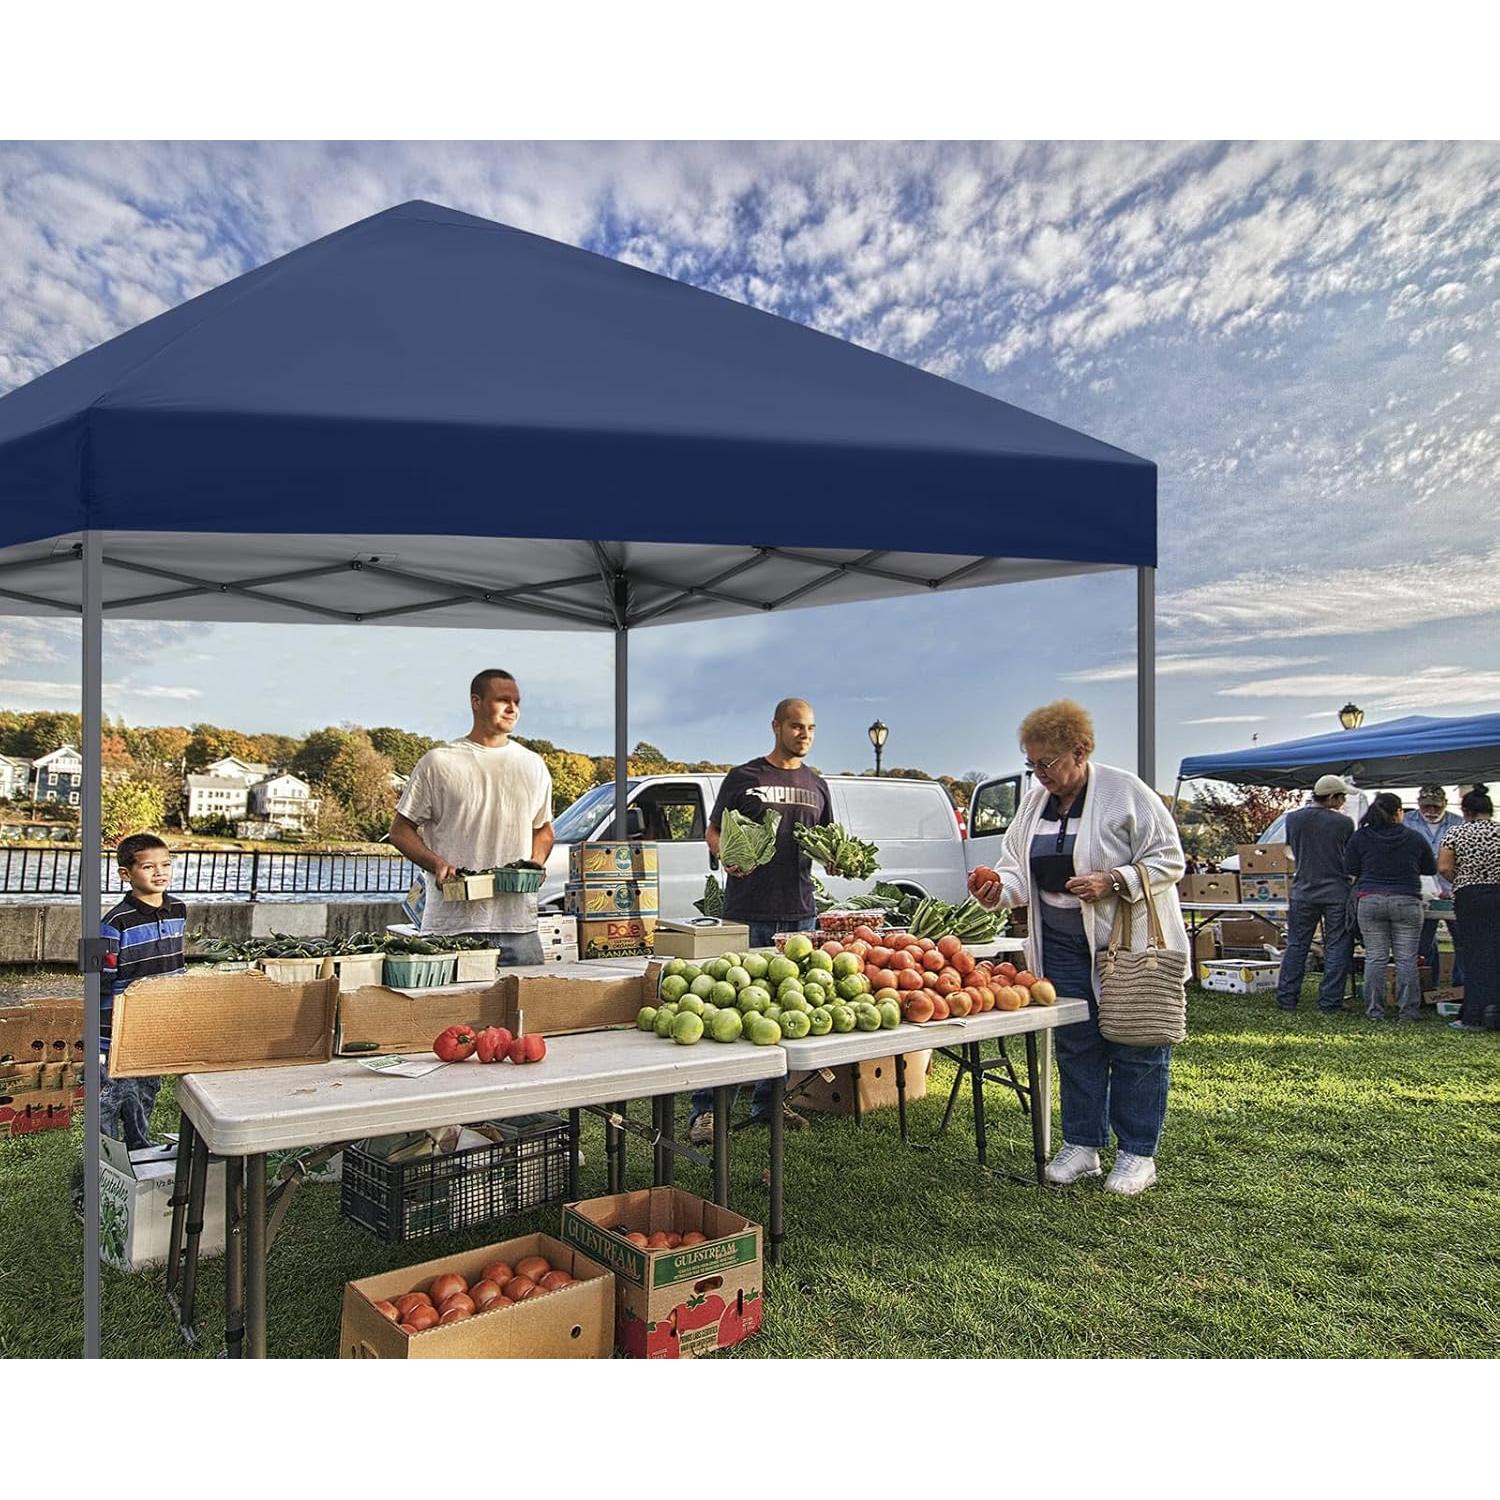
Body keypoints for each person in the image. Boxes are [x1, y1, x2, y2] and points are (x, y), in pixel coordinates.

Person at [968, 700, 1188, 1196]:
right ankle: (1083, 1144)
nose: (1039, 774)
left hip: (1127, 946)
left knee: (1137, 1043)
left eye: (1047, 763)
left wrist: (1115, 879)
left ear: (1080, 751)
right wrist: (996, 889)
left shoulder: (1124, 792)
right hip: (1062, 947)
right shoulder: (1034, 803)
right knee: (1076, 1043)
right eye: (1032, 765)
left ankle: (1137, 1153)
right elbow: (1016, 871)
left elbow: (1170, 860)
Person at [687, 697, 836, 1146]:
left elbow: (828, 839)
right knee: (728, 1008)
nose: (804, 734)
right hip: (747, 910)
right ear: (776, 726)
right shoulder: (745, 777)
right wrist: (725, 855)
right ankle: (708, 1111)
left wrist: (838, 859)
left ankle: (771, 1103)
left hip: (799, 912)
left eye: (810, 727)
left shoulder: (818, 785)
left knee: (787, 1009)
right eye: (795, 726)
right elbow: (714, 830)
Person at [390, 669, 554, 966]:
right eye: (503, 699)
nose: (512, 708)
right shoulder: (438, 762)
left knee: (531, 1011)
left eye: (516, 701)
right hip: (451, 927)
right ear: (476, 702)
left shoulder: (533, 765)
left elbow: (543, 829)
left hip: (517, 926)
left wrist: (536, 862)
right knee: (448, 1013)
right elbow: (400, 831)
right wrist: (436, 864)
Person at [100, 833, 187, 1149]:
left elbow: (176, 962)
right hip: (116, 1029)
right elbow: (96, 975)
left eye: (165, 864)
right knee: (110, 1095)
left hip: (157, 1025)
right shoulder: (111, 922)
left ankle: (139, 1146)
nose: (160, 872)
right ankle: (104, 1160)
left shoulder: (178, 909)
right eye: (148, 867)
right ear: (126, 874)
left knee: (146, 1088)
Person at [1344, 792, 1434, 1022]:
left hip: (1370, 900)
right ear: (1398, 812)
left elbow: (1351, 868)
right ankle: (1409, 1012)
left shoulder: (1360, 837)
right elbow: (1430, 868)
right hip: (1406, 900)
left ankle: (1375, 1011)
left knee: (1375, 957)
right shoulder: (1414, 837)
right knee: (1406, 959)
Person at [1275, 774, 1356, 1014]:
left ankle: (1287, 998)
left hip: (1303, 890)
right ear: (1331, 797)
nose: (1343, 801)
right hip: (1336, 892)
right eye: (1341, 797)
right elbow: (1349, 857)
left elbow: (1290, 848)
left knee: (1297, 945)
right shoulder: (1344, 823)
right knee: (1337, 946)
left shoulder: (1293, 819)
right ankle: (1330, 1002)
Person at [1438, 784, 1500, 1031]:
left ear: (1466, 811)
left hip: (1470, 896)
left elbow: (1443, 867)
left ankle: (1473, 1015)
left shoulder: (1456, 833)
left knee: (1474, 955)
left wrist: (1461, 880)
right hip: (1497, 893)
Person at [1405, 785, 1464, 991]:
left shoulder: (1457, 822)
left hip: (1453, 888)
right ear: (1419, 804)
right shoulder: (1407, 820)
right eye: (1426, 806)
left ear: (1445, 805)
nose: (1430, 811)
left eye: (1435, 807)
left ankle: (1459, 988)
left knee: (1461, 940)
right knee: (1423, 942)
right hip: (1421, 891)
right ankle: (1427, 985)